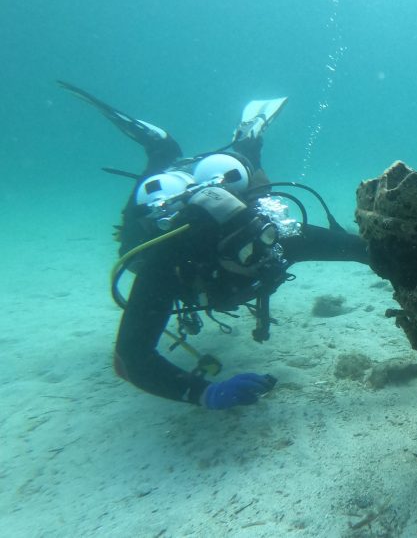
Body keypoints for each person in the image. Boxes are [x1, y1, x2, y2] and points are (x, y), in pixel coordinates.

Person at [60, 81, 368, 410]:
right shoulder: (166, 265)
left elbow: (362, 249)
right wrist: (205, 393)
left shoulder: (276, 235)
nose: (264, 255)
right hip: (167, 216)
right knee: (154, 186)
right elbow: (129, 359)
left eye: (263, 241)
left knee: (240, 171)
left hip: (231, 188)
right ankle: (161, 147)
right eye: (248, 252)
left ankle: (248, 140)